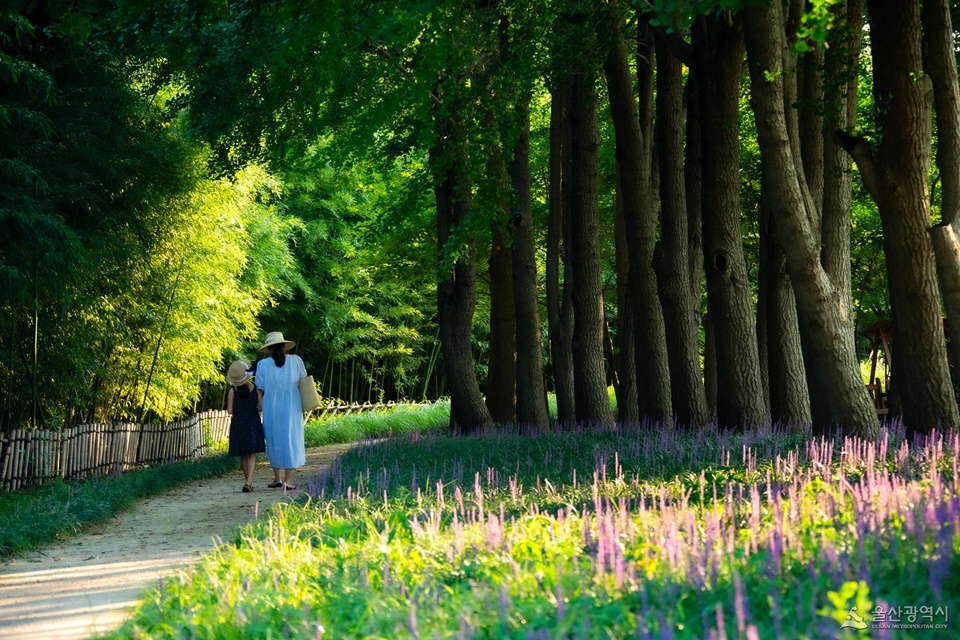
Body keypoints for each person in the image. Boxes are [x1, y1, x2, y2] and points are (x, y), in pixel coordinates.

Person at [255, 331, 307, 490]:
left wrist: (263, 406)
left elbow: (259, 389)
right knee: (291, 438)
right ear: (284, 346)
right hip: (292, 405)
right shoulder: (296, 361)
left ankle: (277, 478)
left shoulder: (262, 365)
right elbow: (304, 381)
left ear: (269, 348)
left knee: (273, 439)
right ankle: (288, 481)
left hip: (271, 405)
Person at [226, 360, 266, 493]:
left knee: (243, 454)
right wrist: (257, 408)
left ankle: (247, 482)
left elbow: (230, 411)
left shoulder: (232, 391)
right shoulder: (254, 389)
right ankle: (249, 481)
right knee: (251, 454)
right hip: (252, 422)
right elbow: (261, 406)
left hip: (238, 423)